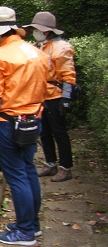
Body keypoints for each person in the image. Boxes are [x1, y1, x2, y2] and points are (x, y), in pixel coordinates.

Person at [0, 6, 49, 246]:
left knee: (16, 175)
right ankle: (32, 226)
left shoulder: (0, 56)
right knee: (28, 171)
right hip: (33, 120)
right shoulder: (37, 53)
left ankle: (25, 232)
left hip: (9, 123)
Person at [23, 11, 77, 182]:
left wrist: (67, 99)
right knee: (44, 132)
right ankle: (50, 163)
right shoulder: (38, 46)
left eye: (37, 29)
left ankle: (65, 167)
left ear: (46, 31)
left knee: (59, 132)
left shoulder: (61, 48)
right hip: (39, 94)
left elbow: (68, 75)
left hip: (55, 95)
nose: (34, 32)